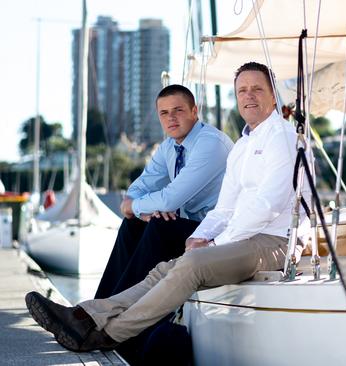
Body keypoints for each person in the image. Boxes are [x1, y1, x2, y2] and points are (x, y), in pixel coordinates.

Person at [25, 61, 309, 353]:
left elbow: (266, 206)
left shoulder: (283, 138)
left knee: (192, 265)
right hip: (241, 237)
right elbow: (225, 208)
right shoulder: (243, 146)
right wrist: (198, 237)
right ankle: (84, 315)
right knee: (163, 269)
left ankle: (107, 334)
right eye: (242, 90)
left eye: (257, 89)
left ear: (274, 96)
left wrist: (214, 243)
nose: (249, 96)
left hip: (275, 241)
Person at [94, 84, 233, 300]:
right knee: (135, 223)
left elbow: (170, 198)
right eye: (164, 113)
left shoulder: (210, 143)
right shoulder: (169, 146)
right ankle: (97, 307)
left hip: (216, 233)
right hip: (190, 229)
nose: (171, 118)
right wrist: (139, 210)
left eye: (178, 110)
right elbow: (139, 187)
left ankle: (114, 310)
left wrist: (135, 206)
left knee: (161, 224)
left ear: (194, 111)